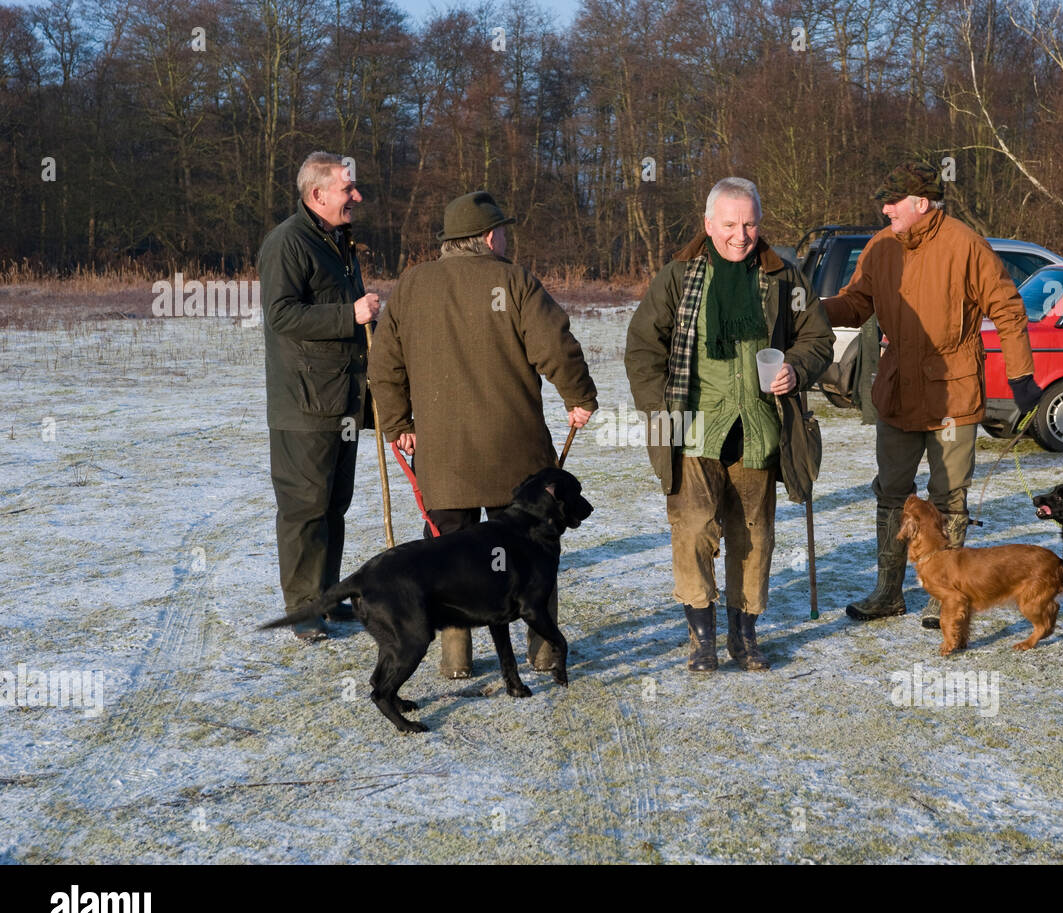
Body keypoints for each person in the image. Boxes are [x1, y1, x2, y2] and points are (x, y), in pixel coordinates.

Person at [368, 191, 598, 679]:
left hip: (443, 457)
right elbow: (555, 342)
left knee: (450, 554)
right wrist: (579, 396)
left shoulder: (411, 285)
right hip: (514, 457)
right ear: (491, 236)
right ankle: (544, 652)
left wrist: (397, 422)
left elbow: (384, 362)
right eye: (504, 232)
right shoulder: (513, 280)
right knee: (534, 549)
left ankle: (456, 660)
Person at [822, 160, 1043, 628]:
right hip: (897, 392)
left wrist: (1022, 377)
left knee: (948, 497)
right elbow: (856, 301)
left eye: (892, 200)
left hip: (954, 394)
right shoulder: (880, 248)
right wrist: (814, 312)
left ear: (921, 203)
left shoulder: (966, 244)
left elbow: (1007, 308)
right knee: (891, 495)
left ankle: (944, 593)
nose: (884, 209)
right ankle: (887, 592)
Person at [625, 177, 833, 672]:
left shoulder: (785, 278)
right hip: (693, 431)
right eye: (730, 224)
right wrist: (662, 412)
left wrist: (796, 368)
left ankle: (745, 635)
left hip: (759, 428)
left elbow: (817, 337)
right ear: (708, 224)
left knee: (754, 536)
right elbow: (642, 348)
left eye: (750, 223)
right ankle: (702, 638)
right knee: (694, 530)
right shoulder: (678, 278)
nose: (740, 235)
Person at [259, 151, 381, 640]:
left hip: (342, 401)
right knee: (304, 508)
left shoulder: (339, 241)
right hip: (304, 405)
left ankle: (328, 599)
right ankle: (303, 611)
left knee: (334, 504)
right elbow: (281, 315)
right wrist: (348, 315)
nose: (357, 196)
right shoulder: (287, 243)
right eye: (348, 188)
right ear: (318, 195)